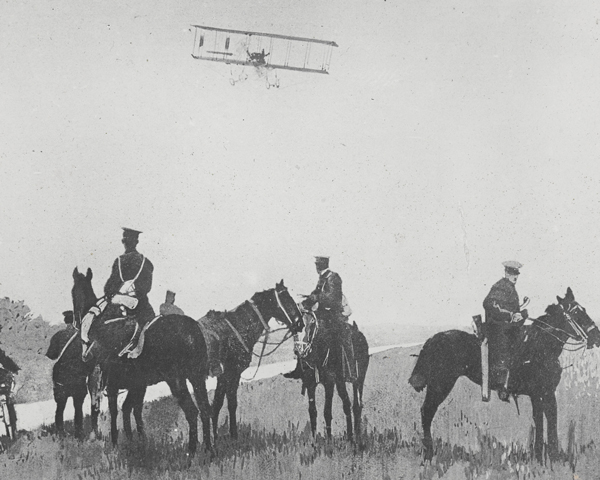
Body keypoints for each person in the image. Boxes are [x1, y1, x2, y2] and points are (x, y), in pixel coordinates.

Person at [284, 256, 357, 381]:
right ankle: (300, 368)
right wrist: (302, 305)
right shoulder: (322, 278)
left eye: (318, 264)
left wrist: (317, 298)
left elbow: (333, 298)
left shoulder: (334, 277)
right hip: (322, 315)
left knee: (344, 338)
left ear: (322, 265)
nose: (317, 267)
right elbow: (315, 295)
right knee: (305, 333)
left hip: (334, 314)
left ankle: (351, 373)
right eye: (317, 264)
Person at [104, 228, 155, 355]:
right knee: (153, 327)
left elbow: (109, 288)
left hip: (121, 305)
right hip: (142, 306)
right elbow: (147, 287)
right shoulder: (146, 263)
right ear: (136, 242)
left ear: (124, 242)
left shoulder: (120, 261)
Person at [483, 260, 529, 402]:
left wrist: (521, 312)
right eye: (512, 273)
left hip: (507, 325)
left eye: (516, 274)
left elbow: (512, 308)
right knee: (504, 347)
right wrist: (509, 315)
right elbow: (488, 304)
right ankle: (500, 385)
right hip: (497, 326)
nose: (515, 276)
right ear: (506, 273)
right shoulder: (500, 286)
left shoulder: (510, 287)